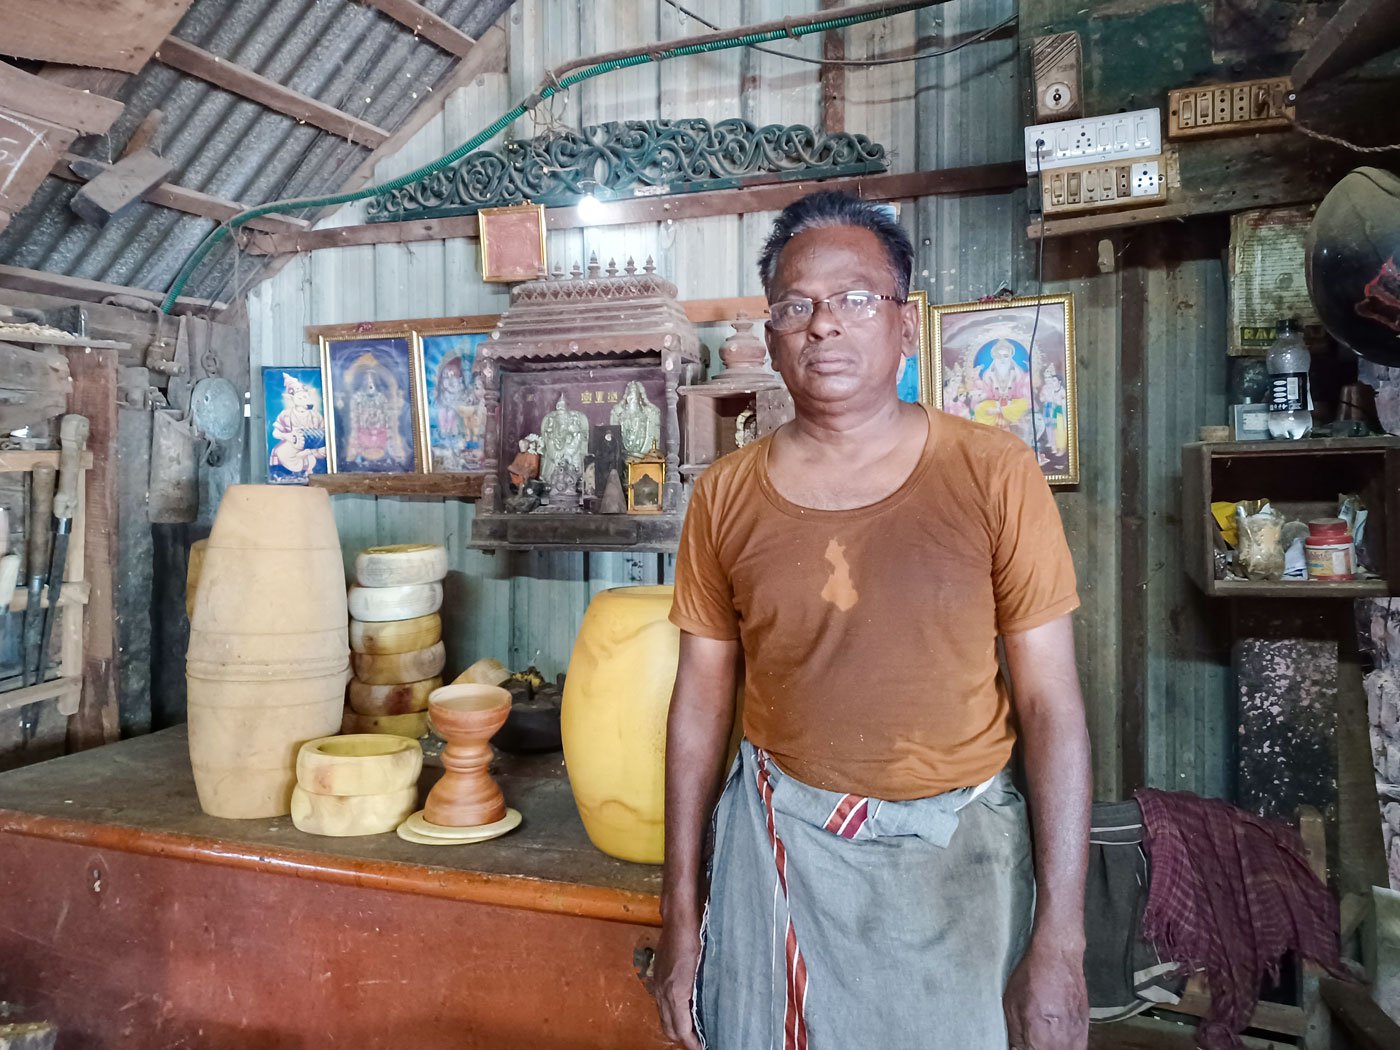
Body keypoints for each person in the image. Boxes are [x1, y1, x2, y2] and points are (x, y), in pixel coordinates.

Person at [654, 190, 1090, 1050]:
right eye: (796, 305)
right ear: (773, 335)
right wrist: (679, 914)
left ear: (903, 322)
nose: (824, 325)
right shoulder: (725, 495)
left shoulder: (992, 472)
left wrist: (1062, 941)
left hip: (958, 868)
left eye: (855, 298)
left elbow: (1051, 708)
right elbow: (699, 704)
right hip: (780, 856)